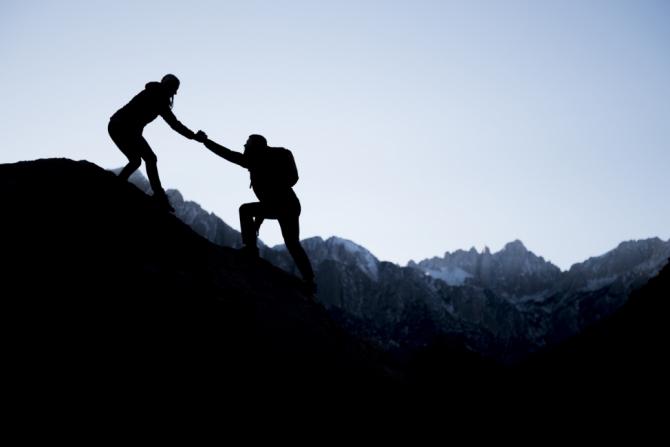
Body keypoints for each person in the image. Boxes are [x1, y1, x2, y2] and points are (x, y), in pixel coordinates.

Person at [195, 131, 316, 293]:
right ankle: (309, 280)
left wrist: (206, 141)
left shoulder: (256, 161)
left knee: (247, 211)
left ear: (255, 147)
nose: (244, 147)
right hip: (289, 206)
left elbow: (228, 155)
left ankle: (251, 250)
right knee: (292, 243)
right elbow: (275, 193)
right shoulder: (269, 157)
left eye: (247, 144)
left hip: (285, 206)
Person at [109, 74, 199, 212]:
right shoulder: (158, 97)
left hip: (119, 126)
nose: (173, 93)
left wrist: (193, 136)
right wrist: (193, 136)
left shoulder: (155, 93)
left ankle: (121, 184)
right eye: (173, 88)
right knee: (148, 158)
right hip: (122, 127)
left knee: (137, 160)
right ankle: (159, 196)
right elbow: (174, 124)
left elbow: (173, 123)